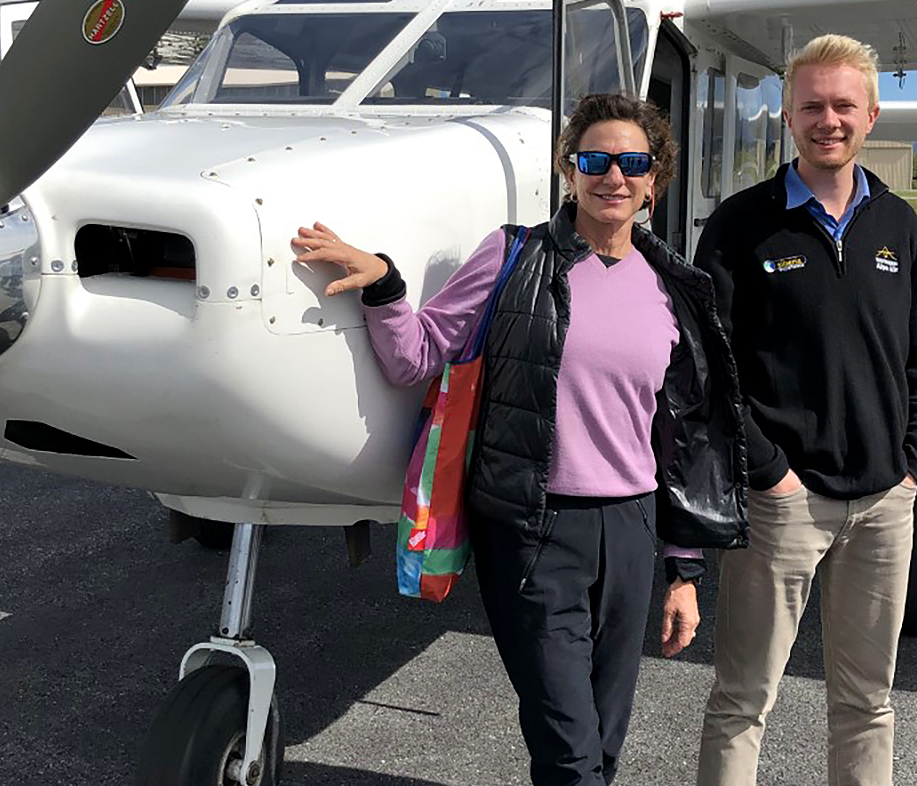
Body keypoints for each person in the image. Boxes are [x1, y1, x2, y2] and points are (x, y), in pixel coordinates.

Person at [291, 92, 750, 786]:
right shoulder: (515, 256)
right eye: (595, 159)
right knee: (568, 749)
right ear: (570, 169)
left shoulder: (672, 287)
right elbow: (417, 356)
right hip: (534, 531)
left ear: (656, 180)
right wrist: (385, 285)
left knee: (603, 742)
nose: (613, 177)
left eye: (633, 162)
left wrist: (683, 569)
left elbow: (682, 436)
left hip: (630, 529)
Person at [693, 34, 917, 786]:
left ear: (871, 115)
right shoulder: (742, 225)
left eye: (843, 105)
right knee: (742, 699)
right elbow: (711, 367)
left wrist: (913, 462)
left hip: (883, 501)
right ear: (789, 117)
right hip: (782, 505)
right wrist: (769, 472)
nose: (827, 119)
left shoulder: (899, 224)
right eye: (812, 106)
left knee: (869, 700)